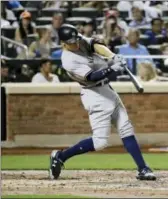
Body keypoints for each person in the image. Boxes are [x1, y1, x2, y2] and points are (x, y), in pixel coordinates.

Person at [49, 24, 156, 181]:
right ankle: (61, 156)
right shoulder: (68, 60)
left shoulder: (80, 41)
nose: (77, 44)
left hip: (107, 90)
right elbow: (92, 76)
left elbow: (95, 45)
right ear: (64, 43)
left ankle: (143, 168)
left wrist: (112, 56)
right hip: (94, 94)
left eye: (77, 40)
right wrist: (112, 68)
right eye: (72, 42)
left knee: (126, 129)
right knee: (100, 142)